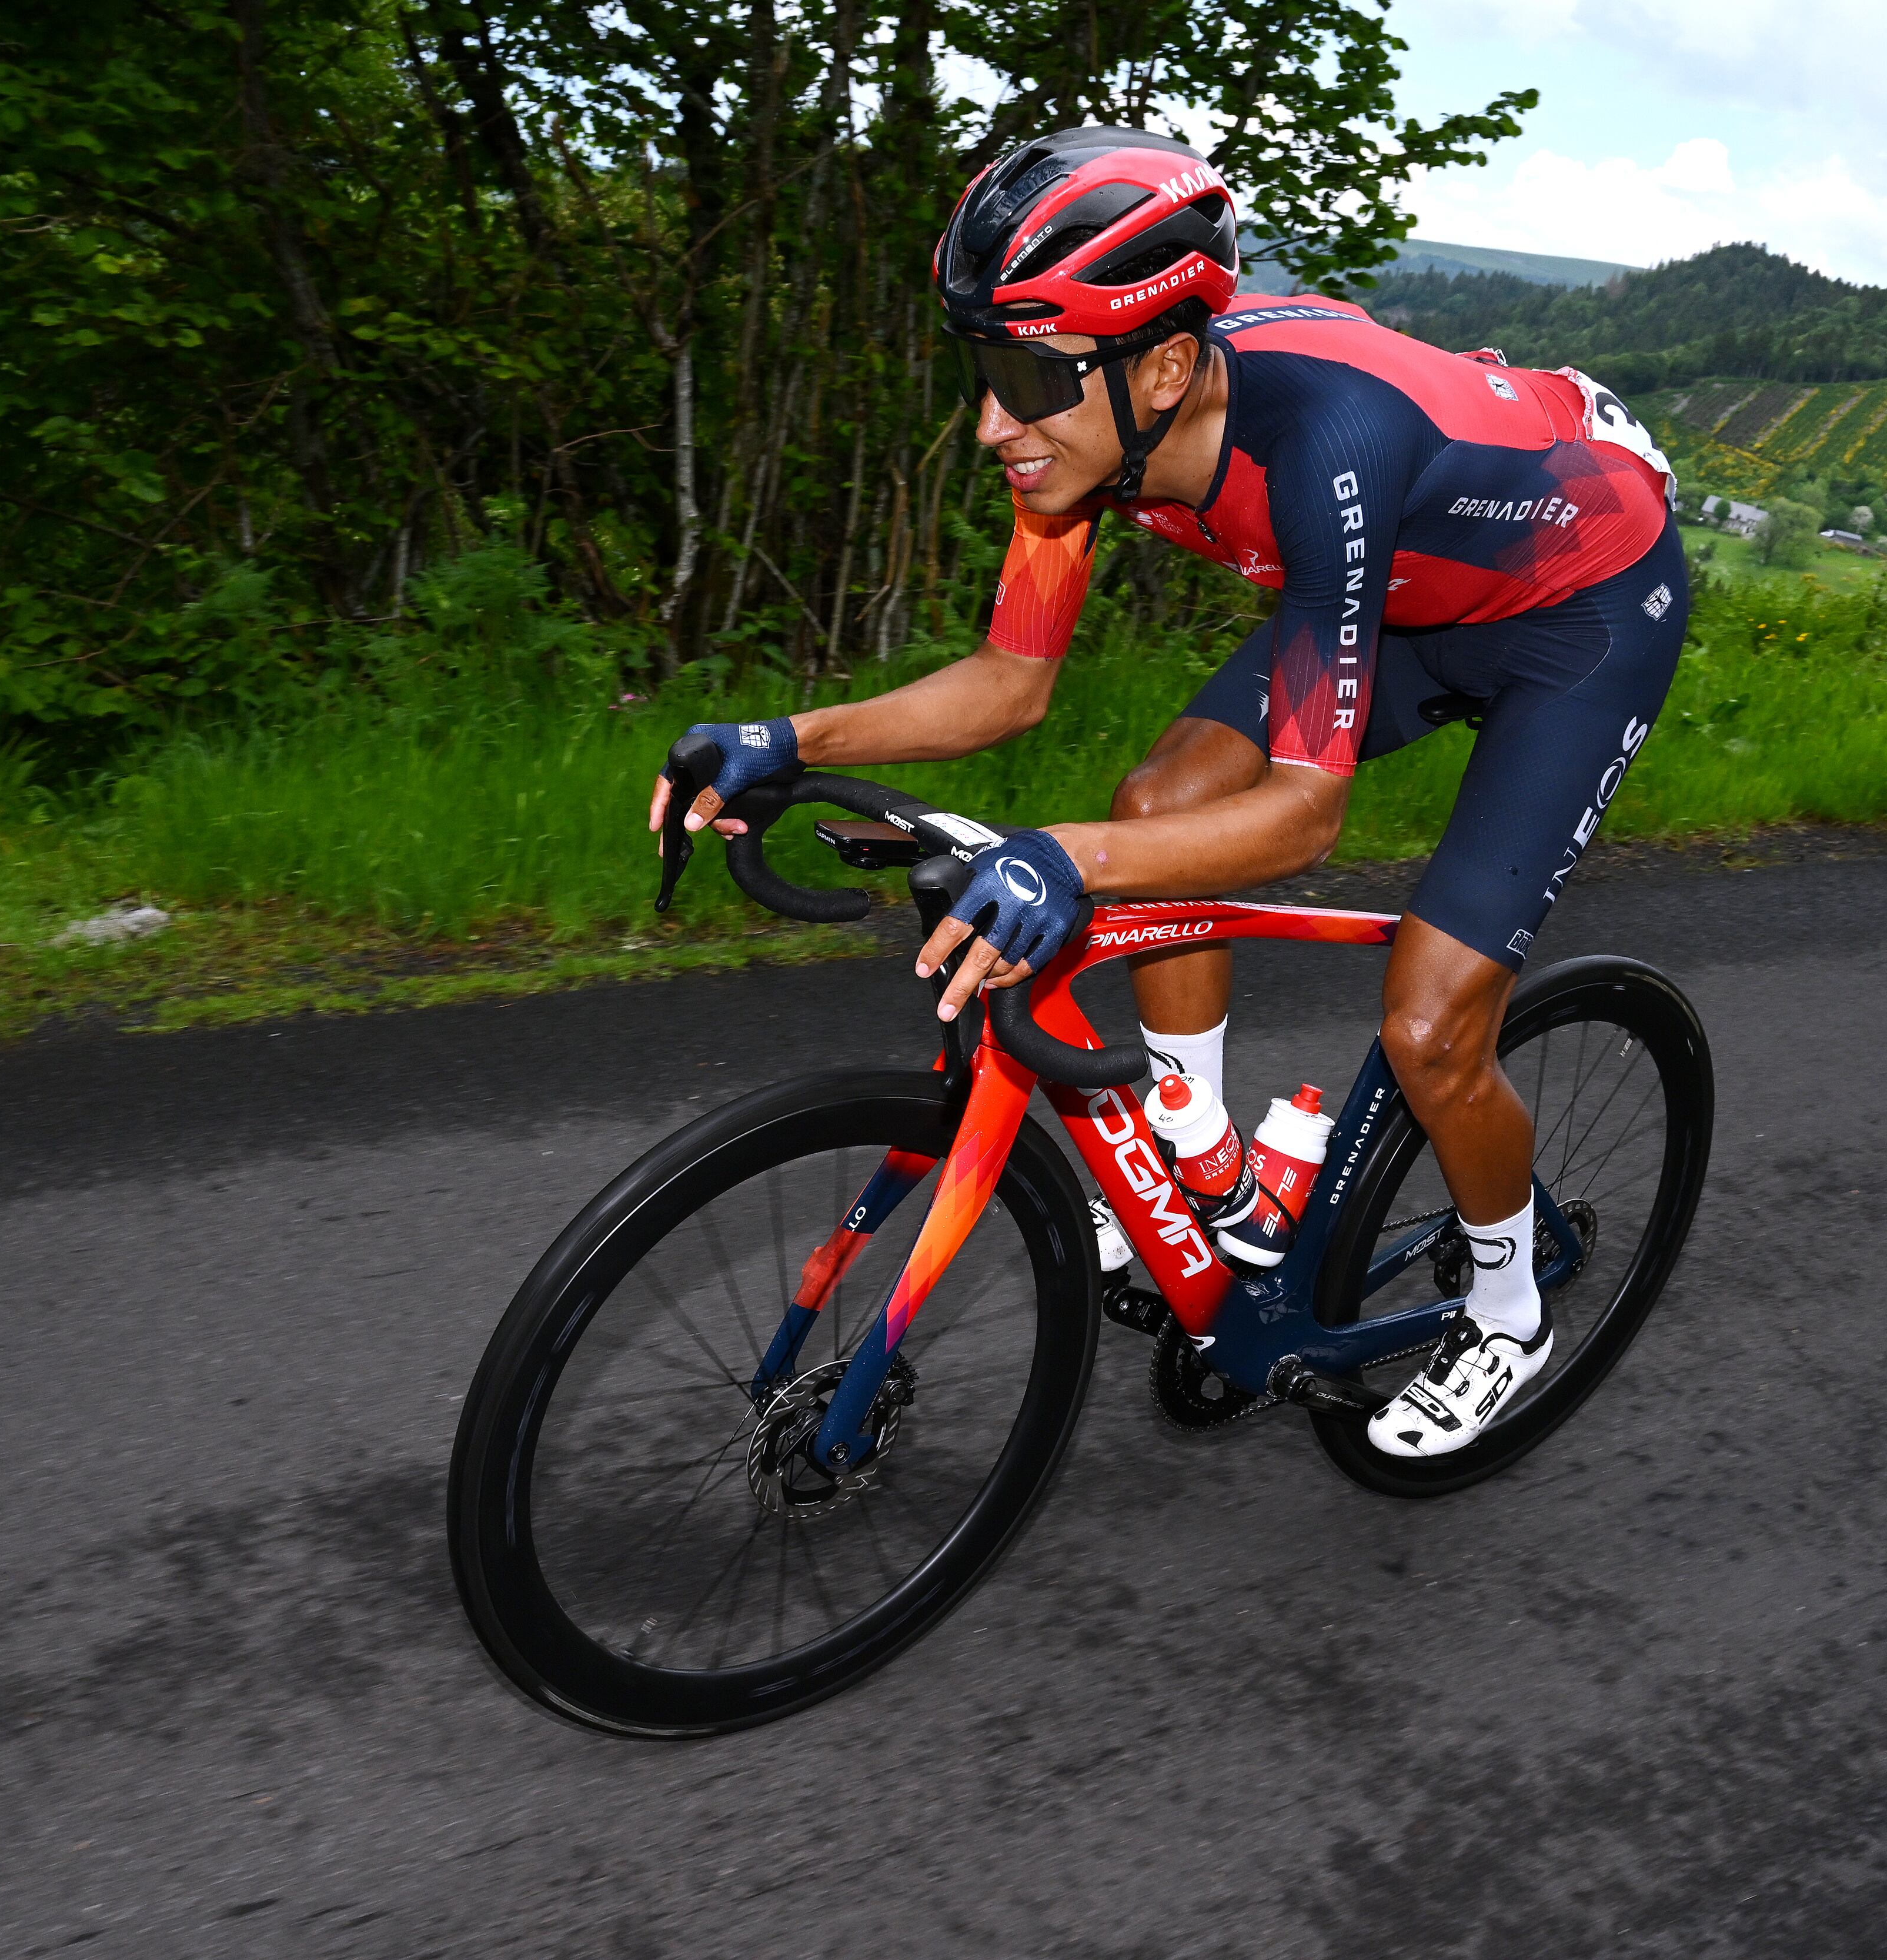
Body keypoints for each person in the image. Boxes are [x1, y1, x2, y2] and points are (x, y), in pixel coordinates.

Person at [648, 126, 1689, 1457]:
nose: (991, 424)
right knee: (1155, 808)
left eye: (1026, 378)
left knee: (1433, 1021)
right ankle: (1203, 1153)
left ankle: (1505, 1300)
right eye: (984, 370)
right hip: (1408, 600)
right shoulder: (1088, 432)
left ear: (1165, 364)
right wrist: (787, 735)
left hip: (1581, 614)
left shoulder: (1322, 443)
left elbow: (1305, 816)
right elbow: (1008, 680)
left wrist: (1057, 861)